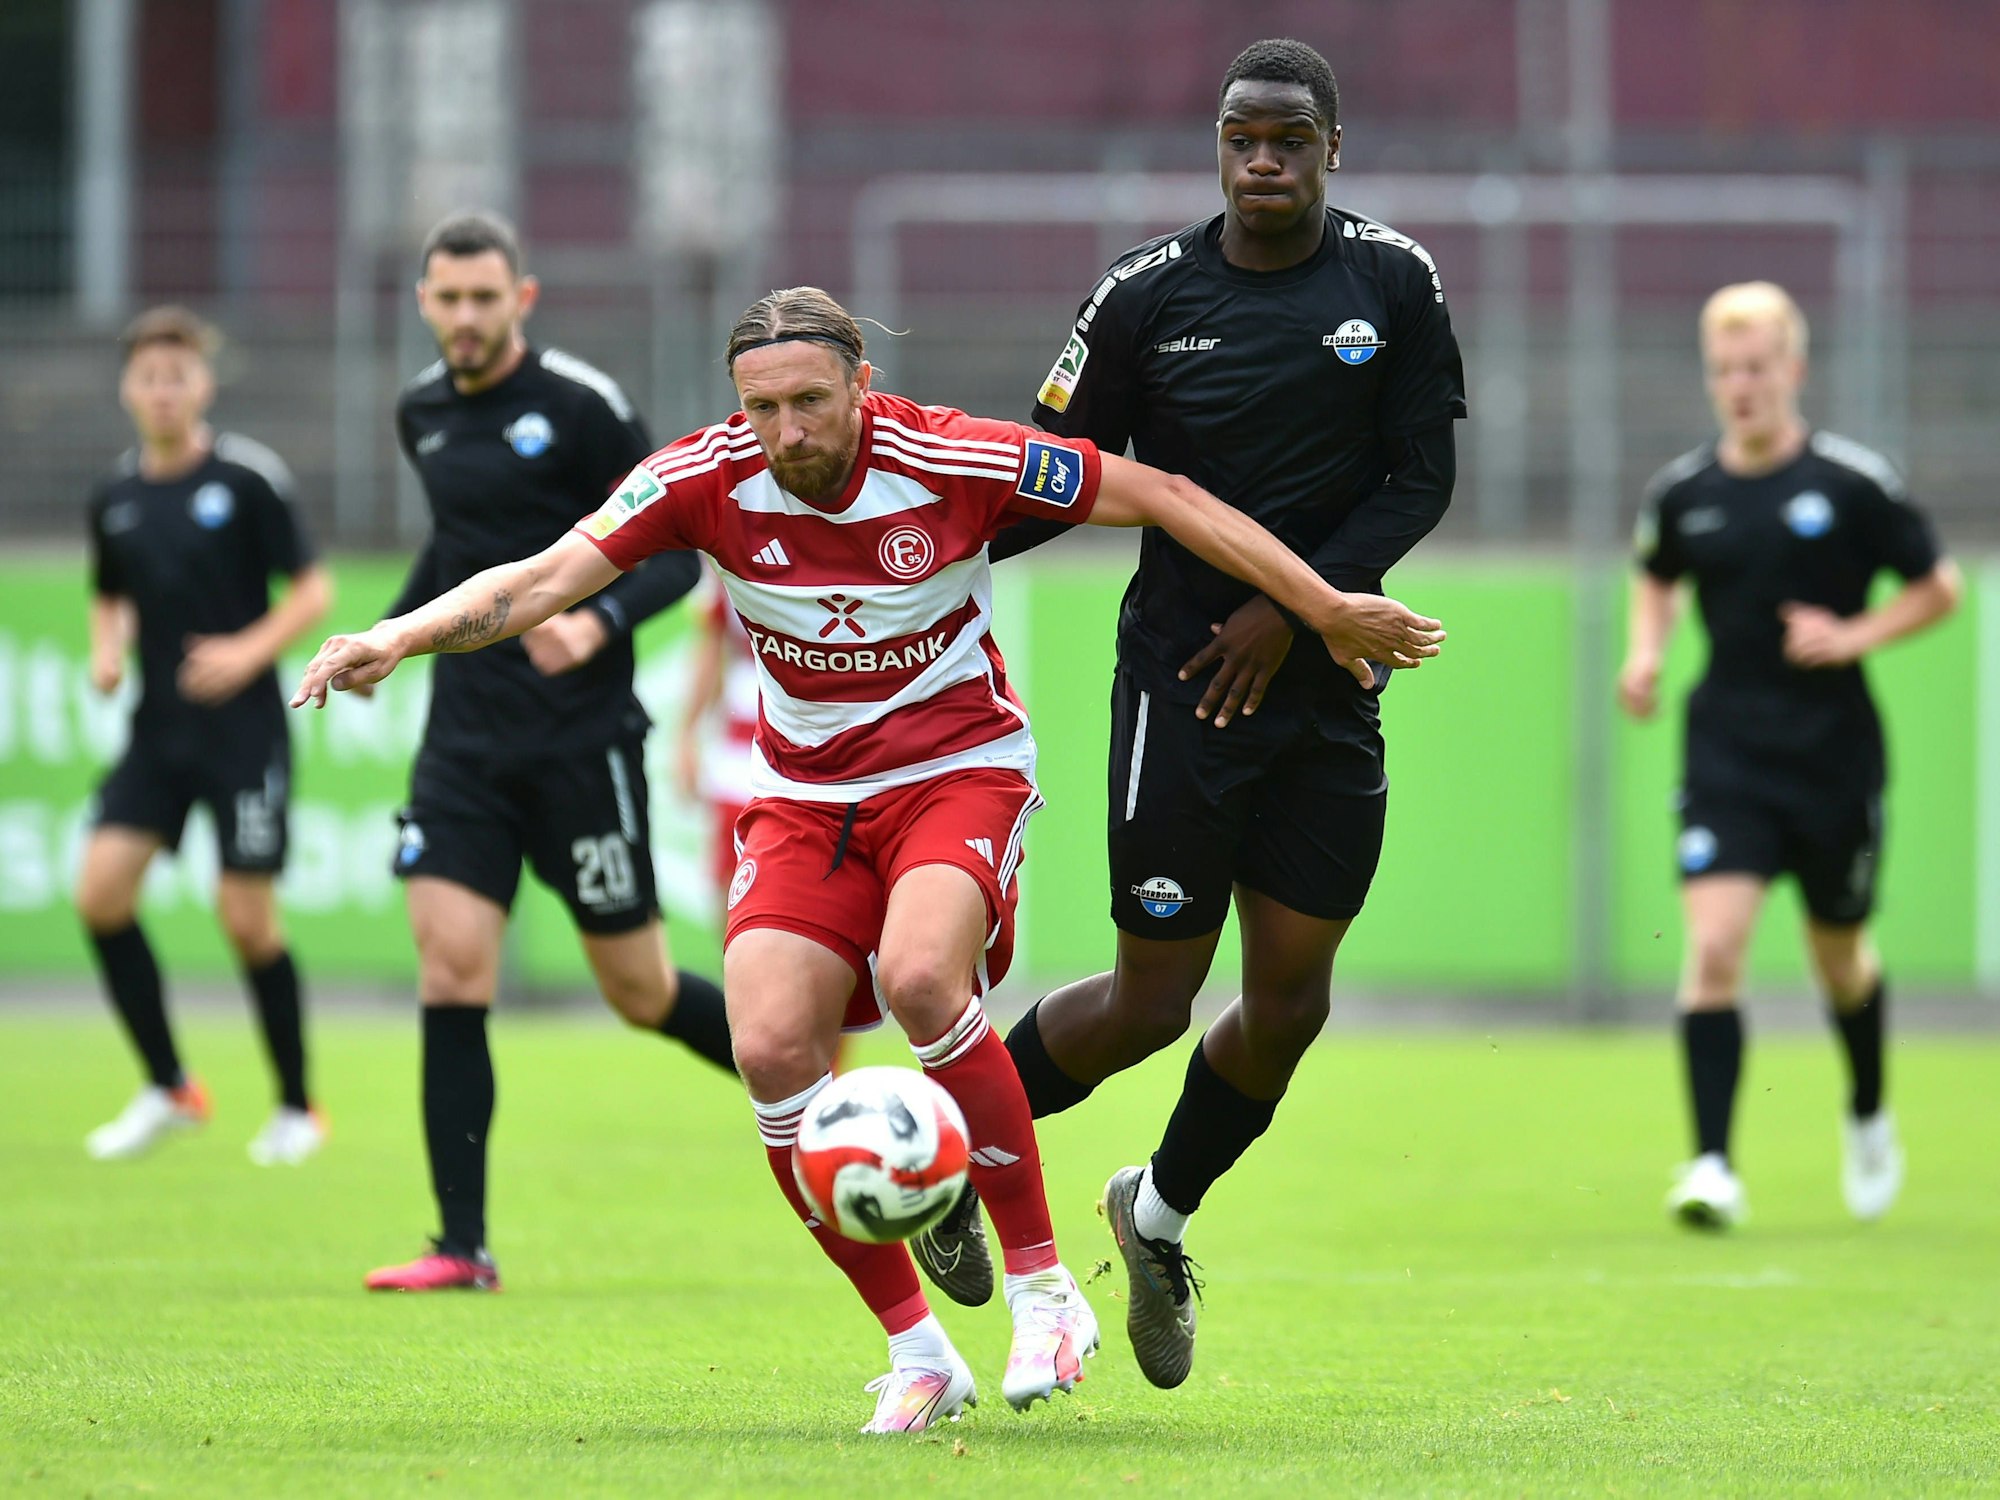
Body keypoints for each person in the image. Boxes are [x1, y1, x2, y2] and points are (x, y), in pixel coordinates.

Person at [290, 286, 1443, 1431]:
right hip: (801, 800)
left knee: (921, 980)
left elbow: (1164, 494)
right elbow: (541, 578)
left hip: (956, 772)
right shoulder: (701, 477)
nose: (784, 433)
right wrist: (394, 636)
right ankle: (919, 1352)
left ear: (860, 388)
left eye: (807, 402)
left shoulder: (954, 459)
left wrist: (1320, 604)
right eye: (761, 409)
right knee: (770, 1046)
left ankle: (1046, 1297)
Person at [915, 38, 1466, 1391]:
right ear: (1217, 149)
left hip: (1327, 684)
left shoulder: (1392, 282)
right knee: (1154, 1000)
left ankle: (1152, 1216)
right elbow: (1051, 474)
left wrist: (1305, 606)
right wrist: (916, 559)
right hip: (1184, 681)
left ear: (1332, 148)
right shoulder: (1148, 294)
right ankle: (922, 1150)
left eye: (1288, 140)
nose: (1262, 162)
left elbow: (1421, 477)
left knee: (1289, 1003)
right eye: (1239, 139)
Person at [361, 212, 735, 1294]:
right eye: (448, 299)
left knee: (640, 989)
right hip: (465, 744)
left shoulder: (581, 408)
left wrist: (597, 626)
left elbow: (681, 556)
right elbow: (456, 545)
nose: (466, 317)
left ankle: (810, 1088)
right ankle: (459, 1247)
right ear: (424, 303)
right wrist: (393, 635)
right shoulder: (420, 411)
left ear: (520, 300)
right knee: (451, 968)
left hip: (579, 745)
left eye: (487, 298)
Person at [1619, 280, 1958, 1230]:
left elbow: (1940, 587)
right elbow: (1655, 579)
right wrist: (1645, 655)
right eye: (1725, 369)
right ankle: (1714, 1164)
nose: (1741, 385)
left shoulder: (1852, 485)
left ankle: (1866, 1112)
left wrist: (1855, 635)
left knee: (1840, 958)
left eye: (1757, 367)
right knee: (1716, 947)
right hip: (1727, 748)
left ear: (1793, 370)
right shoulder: (1686, 493)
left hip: (1835, 755)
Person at [79, 305, 333, 1165]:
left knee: (247, 919)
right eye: (148, 377)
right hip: (159, 732)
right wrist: (105, 650)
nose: (162, 391)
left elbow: (311, 592)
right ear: (129, 389)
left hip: (244, 733)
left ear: (202, 384)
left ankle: (299, 1106)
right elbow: (109, 591)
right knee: (100, 895)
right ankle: (169, 1085)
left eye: (177, 375)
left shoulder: (248, 479)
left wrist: (244, 651)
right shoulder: (114, 496)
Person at [674, 572, 760, 907]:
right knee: (733, 880)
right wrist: (686, 736)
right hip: (744, 751)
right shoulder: (732, 540)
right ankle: (732, 960)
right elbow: (711, 639)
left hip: (840, 750)